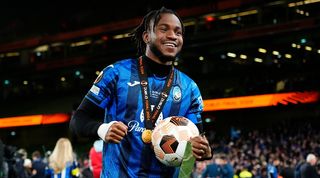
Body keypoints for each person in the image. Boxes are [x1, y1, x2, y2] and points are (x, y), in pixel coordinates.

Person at [70, 6, 212, 178]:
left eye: (178, 32)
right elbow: (78, 120)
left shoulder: (190, 88)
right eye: (164, 29)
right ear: (146, 36)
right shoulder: (116, 74)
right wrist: (102, 129)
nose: (173, 36)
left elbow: (194, 148)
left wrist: (202, 150)